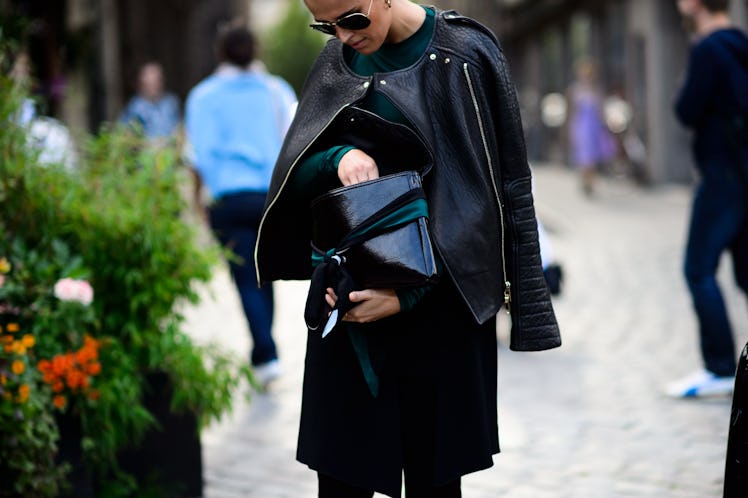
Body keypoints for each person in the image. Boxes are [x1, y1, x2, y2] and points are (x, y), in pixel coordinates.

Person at [255, 1, 561, 496]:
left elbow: (495, 199)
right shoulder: (334, 61)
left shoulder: (465, 53)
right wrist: (339, 156)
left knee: (434, 485)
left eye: (352, 17)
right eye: (324, 24)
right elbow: (298, 176)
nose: (342, 35)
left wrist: (409, 296)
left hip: (441, 314)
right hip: (349, 318)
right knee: (338, 482)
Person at [185, 26, 296, 387]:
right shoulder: (276, 90)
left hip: (227, 200)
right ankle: (265, 350)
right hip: (270, 198)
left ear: (220, 53)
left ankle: (264, 351)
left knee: (246, 278)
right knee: (266, 275)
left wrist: (196, 203)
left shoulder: (203, 97)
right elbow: (294, 143)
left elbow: (196, 156)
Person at [666, 0, 748, 398]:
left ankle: (720, 368)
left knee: (698, 269)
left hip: (721, 176)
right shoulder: (740, 44)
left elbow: (685, 110)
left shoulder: (708, 49)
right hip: (745, 172)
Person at [566, 57, 616, 196]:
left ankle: (590, 181)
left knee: (592, 155)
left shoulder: (596, 90)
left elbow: (601, 110)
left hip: (594, 126)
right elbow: (572, 112)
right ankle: (586, 180)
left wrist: (605, 126)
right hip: (582, 126)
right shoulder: (575, 90)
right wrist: (571, 129)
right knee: (584, 155)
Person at [120, 62, 181, 141]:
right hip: (146, 151)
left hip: (170, 149)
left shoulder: (171, 102)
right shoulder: (135, 107)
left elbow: (179, 127)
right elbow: (126, 134)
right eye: (150, 83)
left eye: (156, 82)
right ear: (142, 83)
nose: (154, 87)